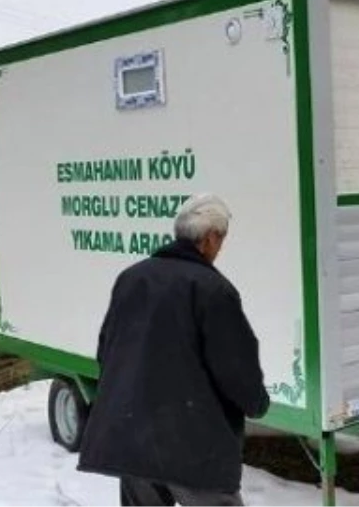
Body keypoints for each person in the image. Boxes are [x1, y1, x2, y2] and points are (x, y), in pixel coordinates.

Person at [78, 194, 270, 507]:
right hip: (193, 447)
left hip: (134, 441)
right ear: (209, 239)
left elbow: (107, 352)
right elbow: (235, 368)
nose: (221, 248)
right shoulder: (213, 290)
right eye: (222, 240)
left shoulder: (131, 278)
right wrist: (257, 402)